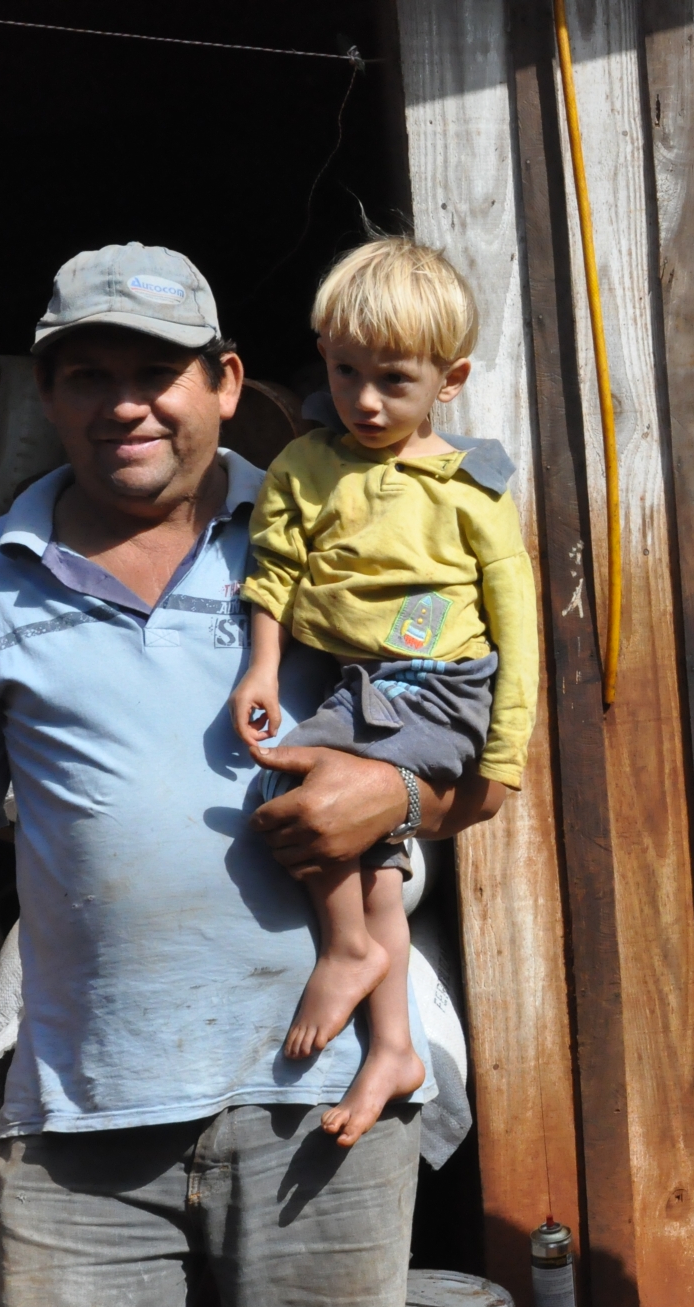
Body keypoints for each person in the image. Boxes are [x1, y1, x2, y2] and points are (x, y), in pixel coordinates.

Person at [0, 242, 506, 1307]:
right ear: (47, 396)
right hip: (81, 1118)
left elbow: (476, 763)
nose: (125, 403)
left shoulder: (346, 514)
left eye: (160, 371)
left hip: (320, 1103)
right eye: (87, 374)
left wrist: (391, 799)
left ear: (227, 382)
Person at [230, 236, 537, 1146]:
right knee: (367, 858)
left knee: (311, 788)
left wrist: (506, 754)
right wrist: (259, 663)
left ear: (450, 378)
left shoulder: (470, 491)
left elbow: (516, 625)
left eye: (394, 380)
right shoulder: (306, 468)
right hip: (363, 683)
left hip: (443, 689)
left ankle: (348, 952)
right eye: (346, 371)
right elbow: (275, 568)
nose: (365, 400)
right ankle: (395, 1046)